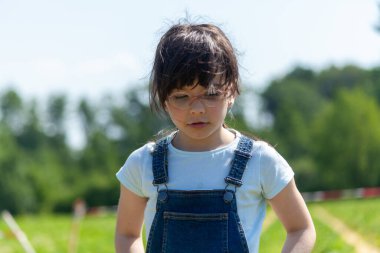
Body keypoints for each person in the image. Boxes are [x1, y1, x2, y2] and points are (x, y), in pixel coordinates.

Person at [115, 21, 316, 253]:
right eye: (181, 96)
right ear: (164, 100)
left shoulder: (260, 160)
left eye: (210, 94)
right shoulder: (143, 163)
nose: (197, 108)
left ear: (231, 91)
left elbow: (301, 228)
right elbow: (127, 234)